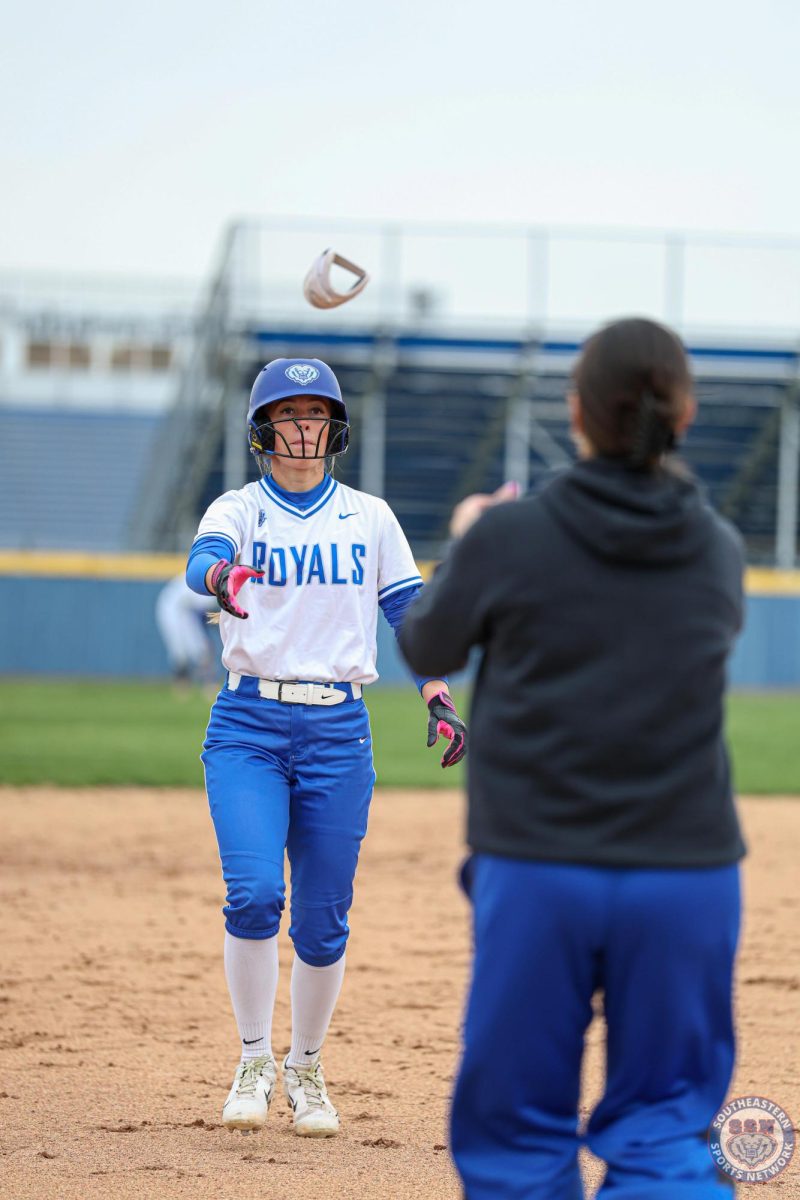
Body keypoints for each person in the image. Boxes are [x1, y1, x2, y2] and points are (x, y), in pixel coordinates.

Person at [399, 317, 745, 1199]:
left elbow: (425, 642)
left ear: (577, 413)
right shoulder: (718, 549)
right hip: (685, 871)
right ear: (686, 413)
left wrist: (470, 534)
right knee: (668, 1132)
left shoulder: (508, 537)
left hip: (539, 867)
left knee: (516, 1135)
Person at [185, 357, 467, 1138]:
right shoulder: (241, 508)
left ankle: (306, 1068)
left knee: (322, 919)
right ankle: (254, 1059)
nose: (304, 427)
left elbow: (411, 613)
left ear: (333, 428)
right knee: (252, 895)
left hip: (340, 729)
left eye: (316, 413)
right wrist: (222, 580)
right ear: (264, 428)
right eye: (289, 413)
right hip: (249, 726)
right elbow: (200, 561)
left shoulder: (370, 518)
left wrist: (437, 694)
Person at [154, 573, 217, 690]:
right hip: (172, 610)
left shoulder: (206, 577)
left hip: (185, 609)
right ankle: (187, 683)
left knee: (198, 648)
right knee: (181, 651)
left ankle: (206, 682)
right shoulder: (203, 580)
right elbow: (205, 615)